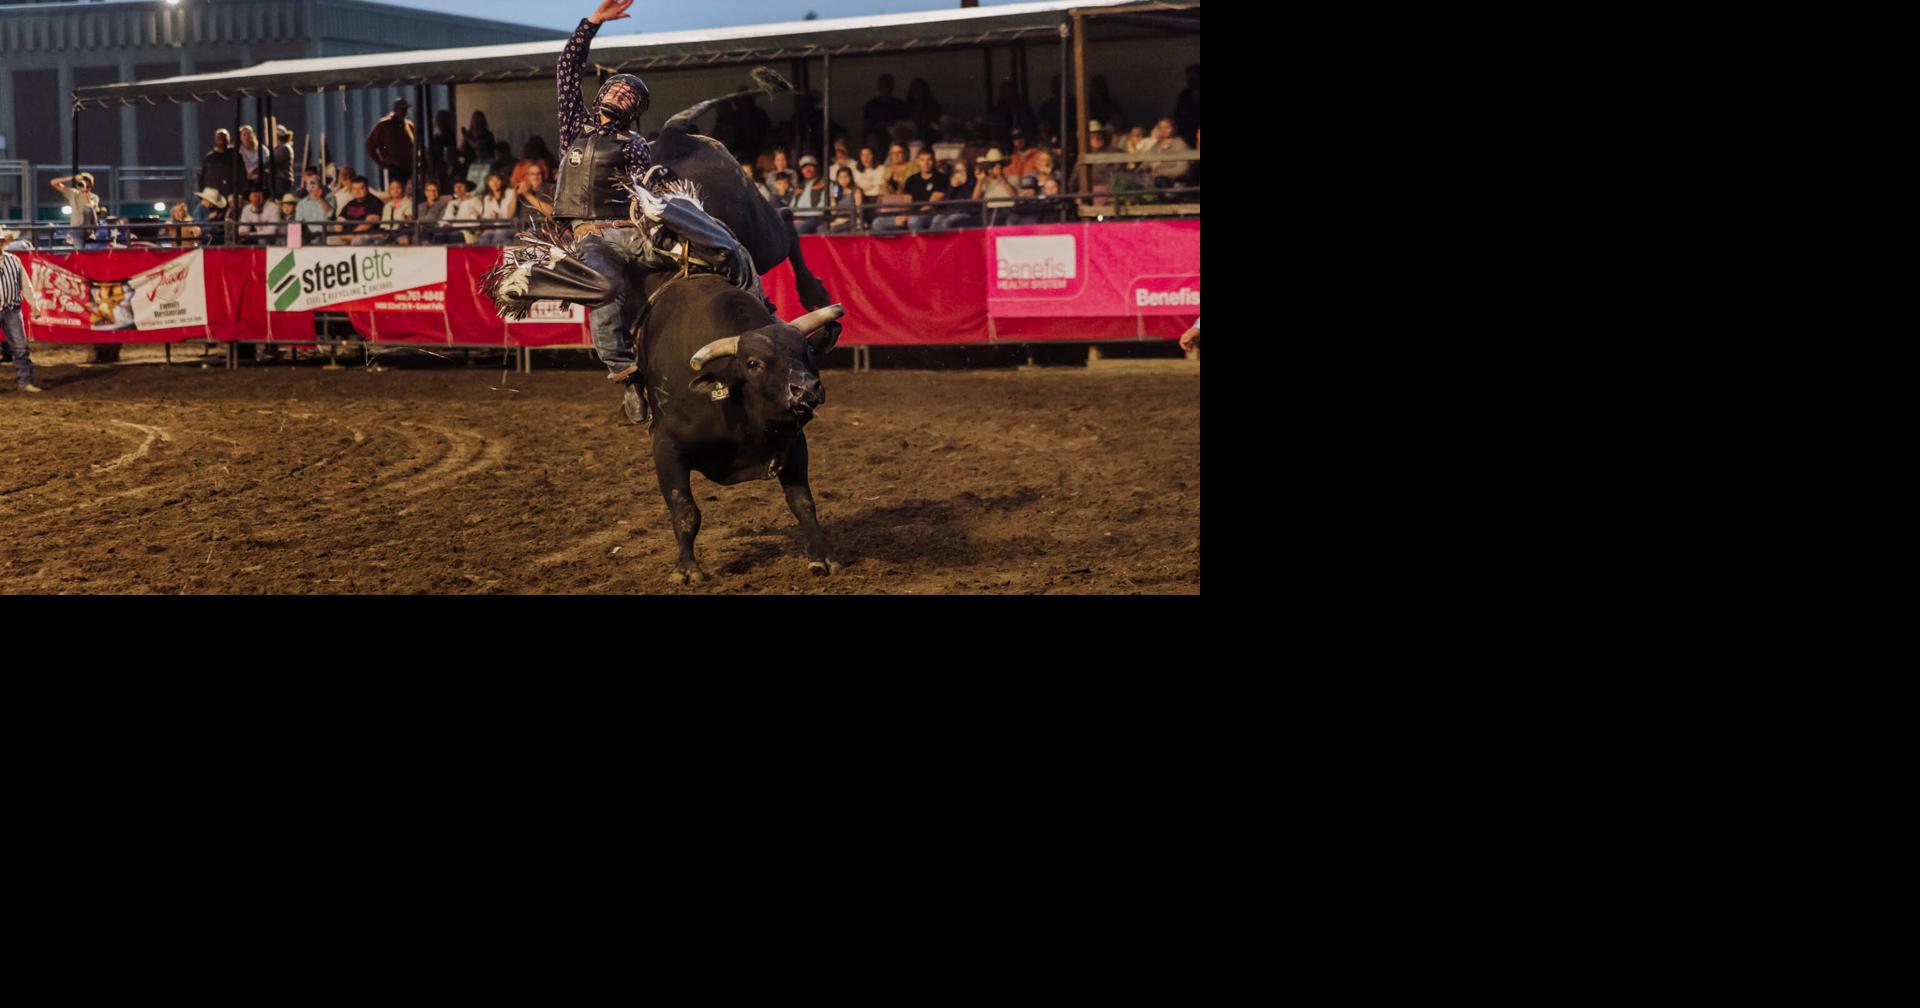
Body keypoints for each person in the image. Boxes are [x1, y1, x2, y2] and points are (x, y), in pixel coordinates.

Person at [0, 241, 40, 393]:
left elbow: (25, 284)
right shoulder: (14, 260)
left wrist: (34, 305)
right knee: (19, 348)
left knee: (20, 348)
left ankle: (25, 382)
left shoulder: (14, 260)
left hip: (12, 310)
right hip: (11, 311)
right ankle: (25, 382)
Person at [365, 97, 416, 188]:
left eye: (406, 109)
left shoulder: (409, 125)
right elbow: (369, 144)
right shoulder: (384, 125)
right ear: (395, 109)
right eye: (402, 109)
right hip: (392, 169)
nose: (405, 112)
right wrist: (381, 162)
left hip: (409, 168)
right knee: (392, 191)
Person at [49, 172, 102, 246]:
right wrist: (72, 178)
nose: (81, 184)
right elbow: (53, 182)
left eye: (85, 183)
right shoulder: (73, 193)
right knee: (79, 252)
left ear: (91, 185)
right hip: (77, 229)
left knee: (92, 252)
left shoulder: (94, 197)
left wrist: (85, 191)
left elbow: (90, 206)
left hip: (90, 229)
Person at [861, 74, 910, 149]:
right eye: (883, 84)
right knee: (871, 138)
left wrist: (890, 125)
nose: (885, 87)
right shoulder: (871, 104)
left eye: (888, 84)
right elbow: (866, 121)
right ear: (879, 86)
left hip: (894, 133)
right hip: (876, 133)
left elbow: (904, 121)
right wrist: (877, 126)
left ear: (892, 86)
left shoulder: (899, 104)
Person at [334, 177, 384, 245]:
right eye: (354, 189)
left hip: (366, 235)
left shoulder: (375, 202)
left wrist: (351, 235)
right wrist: (341, 235)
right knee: (330, 240)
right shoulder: (350, 203)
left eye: (361, 188)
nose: (357, 191)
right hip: (347, 235)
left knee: (358, 241)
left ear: (367, 188)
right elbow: (339, 221)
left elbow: (368, 223)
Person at [789, 156, 830, 233]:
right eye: (804, 167)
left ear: (816, 168)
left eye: (810, 166)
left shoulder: (824, 183)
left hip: (815, 218)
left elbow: (822, 207)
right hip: (798, 218)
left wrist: (803, 218)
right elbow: (792, 205)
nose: (807, 170)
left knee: (799, 228)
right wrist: (794, 218)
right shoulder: (799, 186)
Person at [478, 171, 516, 244]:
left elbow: (510, 215)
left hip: (509, 226)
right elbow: (487, 216)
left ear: (502, 181)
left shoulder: (510, 192)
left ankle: (500, 255)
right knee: (484, 237)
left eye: (497, 180)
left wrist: (497, 216)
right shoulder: (487, 198)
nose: (494, 183)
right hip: (493, 226)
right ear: (488, 183)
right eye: (491, 181)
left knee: (499, 237)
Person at [200, 128, 237, 201]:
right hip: (214, 197)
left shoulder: (235, 156)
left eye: (224, 138)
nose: (222, 141)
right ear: (215, 140)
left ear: (228, 139)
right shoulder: (209, 158)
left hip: (231, 197)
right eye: (219, 138)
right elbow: (203, 178)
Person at [294, 177, 333, 243]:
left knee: (318, 239)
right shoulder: (301, 203)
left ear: (320, 186)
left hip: (328, 234)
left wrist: (320, 198)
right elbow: (298, 221)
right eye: (310, 185)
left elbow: (331, 214)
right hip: (309, 236)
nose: (312, 188)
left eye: (314, 184)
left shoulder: (331, 198)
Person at [826, 166, 864, 232]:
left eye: (846, 177)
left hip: (852, 220)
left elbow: (858, 211)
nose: (843, 180)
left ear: (850, 177)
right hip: (838, 219)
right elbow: (833, 212)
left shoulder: (856, 191)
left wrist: (844, 220)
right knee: (821, 228)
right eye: (840, 177)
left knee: (834, 229)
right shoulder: (836, 190)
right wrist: (832, 199)